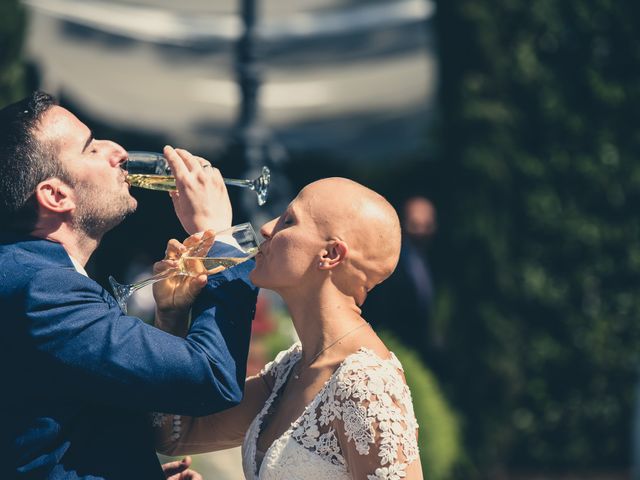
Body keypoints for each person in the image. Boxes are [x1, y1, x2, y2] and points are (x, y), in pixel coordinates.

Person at [0, 92, 258, 478]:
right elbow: (210, 377)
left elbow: (53, 418)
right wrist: (220, 238)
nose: (117, 151)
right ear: (55, 195)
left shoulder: (27, 272)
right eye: (91, 149)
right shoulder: (44, 291)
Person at [153, 178, 423, 479]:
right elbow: (176, 432)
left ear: (331, 254)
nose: (267, 228)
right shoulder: (288, 373)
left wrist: (218, 234)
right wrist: (171, 316)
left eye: (289, 220)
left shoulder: (366, 386)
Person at [362, 196, 437, 361]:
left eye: (427, 225)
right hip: (392, 349)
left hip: (419, 352)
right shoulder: (392, 263)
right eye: (415, 225)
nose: (421, 231)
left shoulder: (433, 260)